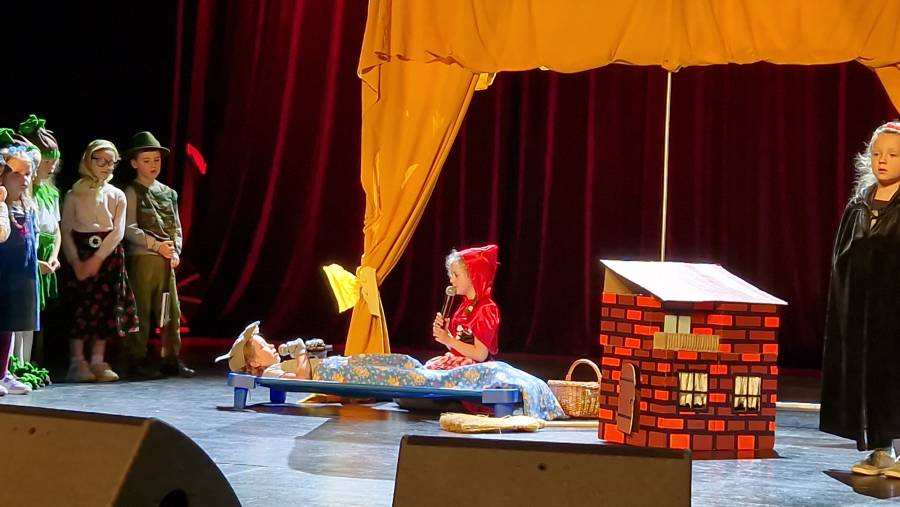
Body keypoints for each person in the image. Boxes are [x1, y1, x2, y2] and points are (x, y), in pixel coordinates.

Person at [820, 120, 900, 478]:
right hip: (865, 311)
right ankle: (880, 450)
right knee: (871, 378)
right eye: (877, 153)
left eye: (893, 155)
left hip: (895, 308)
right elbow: (844, 256)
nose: (882, 160)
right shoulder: (859, 205)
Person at [60, 140, 138, 382]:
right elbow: (65, 230)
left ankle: (97, 359)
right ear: (88, 160)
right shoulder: (74, 194)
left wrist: (98, 258)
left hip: (108, 254)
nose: (106, 166)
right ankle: (77, 361)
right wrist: (76, 261)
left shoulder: (117, 195)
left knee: (105, 306)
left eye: (111, 162)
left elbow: (118, 231)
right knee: (80, 306)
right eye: (100, 160)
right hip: (81, 252)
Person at [122, 132, 194, 378]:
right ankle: (136, 358)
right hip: (143, 258)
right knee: (140, 309)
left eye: (156, 160)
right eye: (146, 160)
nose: (153, 165)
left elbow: (176, 226)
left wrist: (175, 251)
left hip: (166, 260)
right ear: (134, 163)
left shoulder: (169, 193)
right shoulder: (132, 191)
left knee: (170, 311)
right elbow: (129, 228)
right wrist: (155, 245)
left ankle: (170, 357)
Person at [13, 115, 62, 368]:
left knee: (33, 314)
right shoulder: (23, 196)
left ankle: (26, 362)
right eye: (46, 162)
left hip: (43, 257)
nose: (50, 167)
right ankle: (14, 364)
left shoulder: (51, 193)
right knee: (18, 313)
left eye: (54, 162)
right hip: (26, 256)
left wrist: (53, 256)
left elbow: (56, 229)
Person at [0, 135, 41, 395]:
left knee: (10, 325)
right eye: (16, 174)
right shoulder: (1, 207)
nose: (23, 180)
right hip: (3, 273)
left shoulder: (28, 206)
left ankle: (3, 373)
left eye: (27, 174)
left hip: (21, 275)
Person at [427, 244, 500, 370]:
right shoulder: (464, 306)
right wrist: (445, 334)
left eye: (456, 275)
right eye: (451, 275)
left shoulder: (486, 308)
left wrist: (449, 340)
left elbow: (480, 355)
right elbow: (459, 347)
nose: (451, 280)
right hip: (460, 362)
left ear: (474, 275)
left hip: (474, 368)